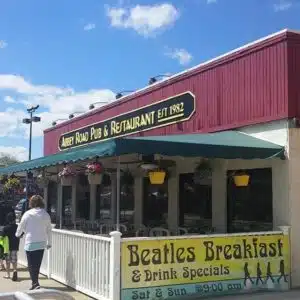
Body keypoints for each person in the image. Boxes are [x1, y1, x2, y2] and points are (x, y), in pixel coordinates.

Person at [16, 195, 52, 290]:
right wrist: (49, 242)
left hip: (30, 242)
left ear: (31, 203)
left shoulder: (28, 214)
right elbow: (49, 230)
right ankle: (35, 282)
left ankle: (35, 282)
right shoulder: (45, 214)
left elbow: (21, 226)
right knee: (37, 264)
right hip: (41, 242)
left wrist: (17, 234)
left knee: (31, 264)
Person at [3, 212, 19, 281]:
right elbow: (21, 234)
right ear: (14, 219)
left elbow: (2, 236)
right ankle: (15, 270)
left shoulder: (5, 228)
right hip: (15, 246)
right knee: (14, 260)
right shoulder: (17, 227)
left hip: (7, 246)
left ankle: (8, 274)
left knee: (7, 261)